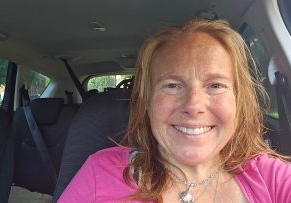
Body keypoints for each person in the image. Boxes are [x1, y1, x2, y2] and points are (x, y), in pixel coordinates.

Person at [58, 19, 291, 203]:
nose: (193, 105)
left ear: (238, 101)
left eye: (215, 85)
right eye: (172, 85)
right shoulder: (100, 173)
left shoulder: (272, 178)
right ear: (147, 102)